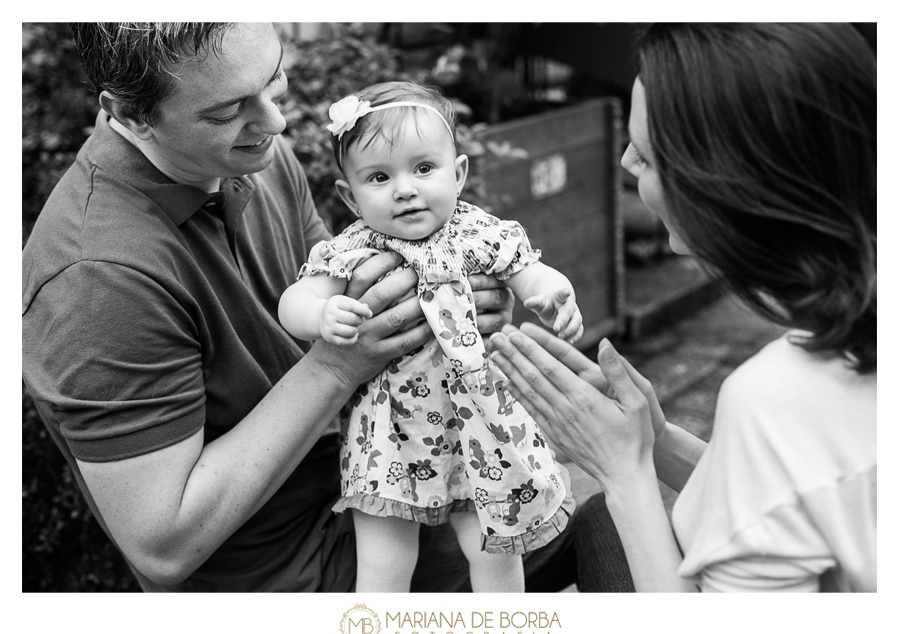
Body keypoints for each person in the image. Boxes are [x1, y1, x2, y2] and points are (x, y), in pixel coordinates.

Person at [21, 22, 630, 592]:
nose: (277, 121)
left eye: (273, 80)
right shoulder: (95, 278)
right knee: (625, 517)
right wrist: (337, 365)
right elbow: (162, 545)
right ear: (128, 113)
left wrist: (446, 307)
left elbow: (343, 283)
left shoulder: (251, 153)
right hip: (291, 571)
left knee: (635, 497)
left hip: (399, 455)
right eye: (228, 110)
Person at [489, 23, 876, 592]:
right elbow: (792, 493)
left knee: (603, 517)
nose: (623, 162)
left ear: (720, 182)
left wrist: (621, 471)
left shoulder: (774, 401)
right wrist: (658, 440)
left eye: (644, 155)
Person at [278, 81, 581, 592]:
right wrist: (321, 313)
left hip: (481, 426)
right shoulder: (354, 247)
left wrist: (553, 293)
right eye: (379, 176)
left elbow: (529, 272)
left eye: (423, 168)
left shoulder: (476, 233)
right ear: (350, 196)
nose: (404, 188)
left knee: (492, 546)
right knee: (383, 560)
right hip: (388, 437)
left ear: (458, 174)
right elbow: (295, 300)